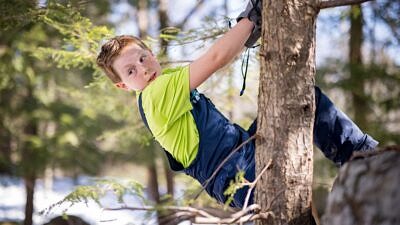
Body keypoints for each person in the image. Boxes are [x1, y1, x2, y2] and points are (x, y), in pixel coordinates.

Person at [96, 0, 378, 208]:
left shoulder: (164, 81)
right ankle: (368, 161)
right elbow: (216, 58)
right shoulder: (155, 94)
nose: (143, 69)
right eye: (131, 71)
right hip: (237, 174)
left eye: (143, 58)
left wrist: (246, 32)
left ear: (151, 53)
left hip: (241, 155)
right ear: (123, 86)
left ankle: (365, 162)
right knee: (304, 101)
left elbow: (216, 56)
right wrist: (250, 19)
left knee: (299, 101)